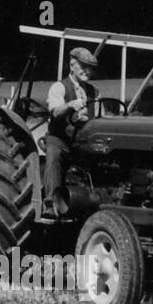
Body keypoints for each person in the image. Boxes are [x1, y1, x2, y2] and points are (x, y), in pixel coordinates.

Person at [43, 47, 99, 211]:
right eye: (83, 67)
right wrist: (70, 105)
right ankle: (51, 203)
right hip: (61, 139)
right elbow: (55, 111)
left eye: (90, 68)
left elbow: (100, 114)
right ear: (72, 65)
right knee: (54, 155)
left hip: (83, 140)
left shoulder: (94, 92)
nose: (87, 71)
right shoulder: (59, 87)